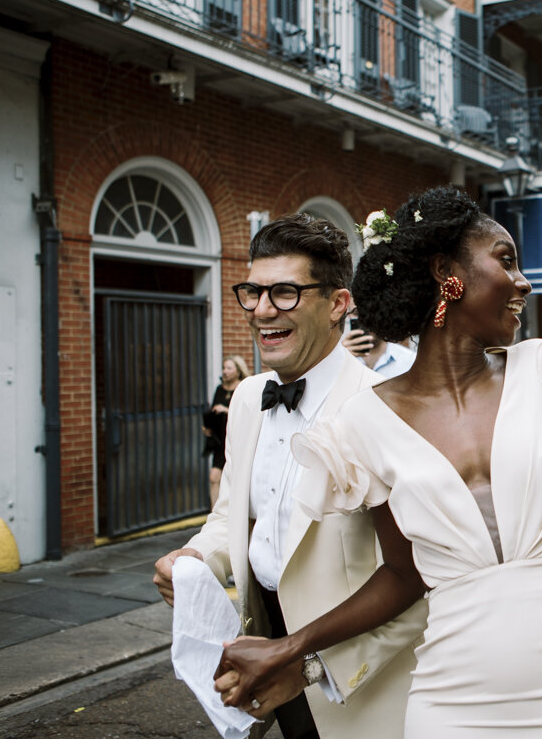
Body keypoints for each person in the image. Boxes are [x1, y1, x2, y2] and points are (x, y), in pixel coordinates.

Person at [211, 188, 542, 738]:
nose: (523, 282)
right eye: (506, 260)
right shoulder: (364, 423)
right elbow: (403, 575)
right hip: (454, 692)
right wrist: (293, 647)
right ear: (446, 272)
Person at [152, 214, 427, 739]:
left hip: (359, 680)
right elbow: (234, 511)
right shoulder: (251, 397)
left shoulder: (387, 411)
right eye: (252, 292)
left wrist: (308, 666)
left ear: (339, 305)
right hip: (262, 644)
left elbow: (423, 581)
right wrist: (196, 558)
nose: (261, 310)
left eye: (284, 293)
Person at [203, 355, 249, 506]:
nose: (225, 371)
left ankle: (239, 514)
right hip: (220, 441)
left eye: (229, 368)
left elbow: (248, 414)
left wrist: (226, 409)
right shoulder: (219, 389)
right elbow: (214, 410)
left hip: (238, 441)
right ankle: (214, 516)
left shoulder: (244, 388)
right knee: (214, 477)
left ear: (238, 371)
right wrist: (208, 427)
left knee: (237, 480)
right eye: (224, 368)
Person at [341, 304, 416, 378]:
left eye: (371, 313)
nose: (365, 321)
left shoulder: (410, 361)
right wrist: (338, 360)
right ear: (348, 316)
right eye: (357, 313)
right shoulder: (340, 359)